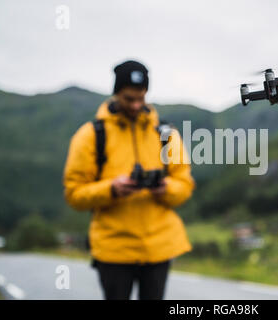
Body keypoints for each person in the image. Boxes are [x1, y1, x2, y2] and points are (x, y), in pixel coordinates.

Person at [63, 60, 194, 300]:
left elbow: (184, 185)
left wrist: (165, 188)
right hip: (113, 249)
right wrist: (111, 189)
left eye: (141, 98)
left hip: (159, 247)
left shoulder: (166, 134)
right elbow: (74, 194)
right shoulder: (91, 135)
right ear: (115, 94)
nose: (135, 105)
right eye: (128, 98)